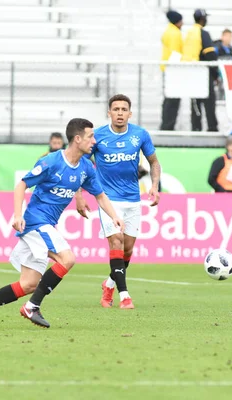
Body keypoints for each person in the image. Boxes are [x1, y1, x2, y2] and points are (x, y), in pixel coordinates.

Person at [0, 118, 124, 329]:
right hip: (36, 222)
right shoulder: (51, 162)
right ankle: (33, 307)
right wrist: (18, 215)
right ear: (77, 139)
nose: (94, 141)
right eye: (90, 136)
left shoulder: (86, 167)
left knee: (29, 284)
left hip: (46, 225)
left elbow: (100, 196)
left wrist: (114, 216)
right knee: (67, 258)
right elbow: (22, 185)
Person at [75, 94, 161, 309]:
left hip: (133, 199)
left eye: (124, 109)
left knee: (128, 250)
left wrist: (155, 186)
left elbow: (154, 162)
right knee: (116, 241)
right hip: (108, 200)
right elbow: (79, 163)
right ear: (109, 113)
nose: (120, 113)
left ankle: (109, 284)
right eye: (116, 109)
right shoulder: (98, 136)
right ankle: (124, 296)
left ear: (130, 113)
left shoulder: (140, 135)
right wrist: (79, 195)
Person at [182, 9, 218, 132]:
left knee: (195, 103)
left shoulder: (189, 33)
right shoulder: (203, 33)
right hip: (203, 72)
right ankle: (212, 128)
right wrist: (215, 73)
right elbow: (210, 55)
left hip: (191, 72)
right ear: (203, 19)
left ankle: (196, 128)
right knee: (209, 102)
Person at [159, 10, 183, 131]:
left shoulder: (168, 31)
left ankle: (166, 124)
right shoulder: (175, 33)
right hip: (173, 70)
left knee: (168, 99)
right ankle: (168, 126)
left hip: (167, 68)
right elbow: (175, 53)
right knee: (172, 100)